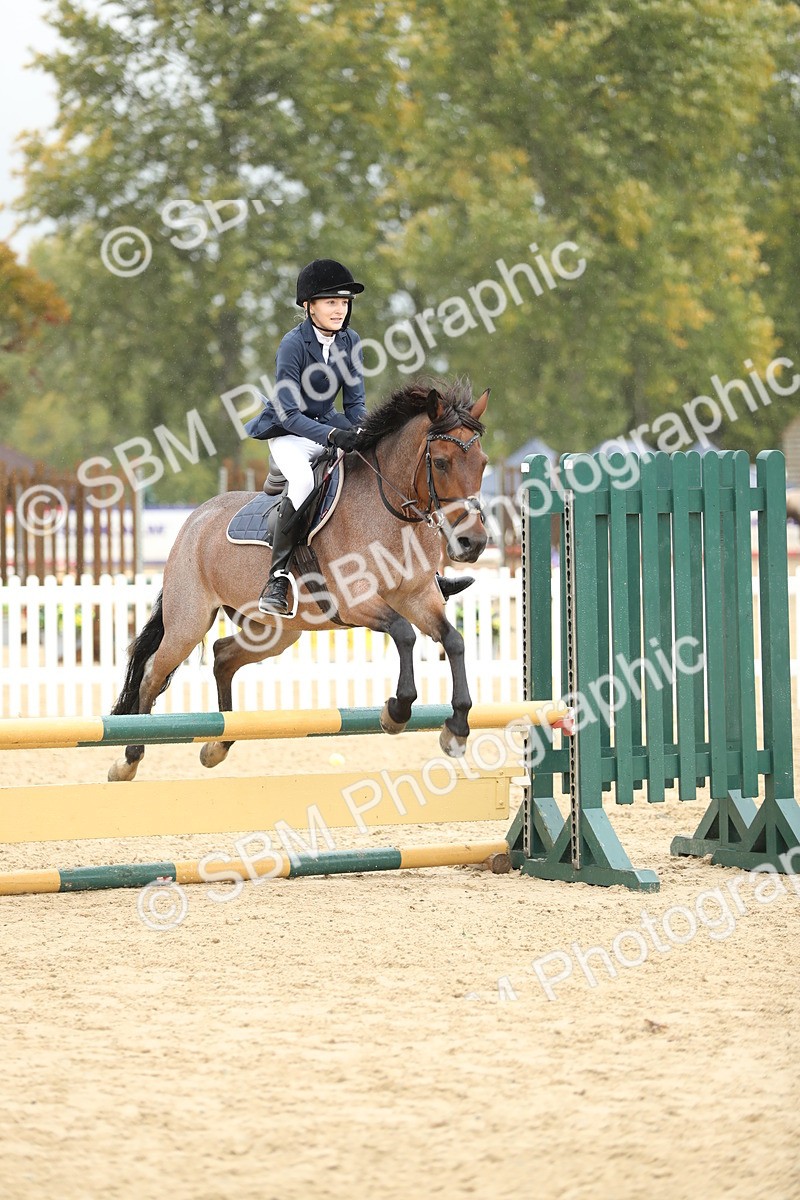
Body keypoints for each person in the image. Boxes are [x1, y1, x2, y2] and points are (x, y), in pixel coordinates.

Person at [246, 258, 473, 616]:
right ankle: (276, 578)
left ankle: (428, 573)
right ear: (309, 306)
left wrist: (366, 433)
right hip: (290, 433)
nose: (339, 309)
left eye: (344, 302)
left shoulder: (351, 341)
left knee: (378, 477)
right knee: (304, 482)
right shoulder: (292, 345)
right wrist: (334, 434)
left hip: (330, 428)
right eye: (330, 302)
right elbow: (290, 413)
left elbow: (354, 403)